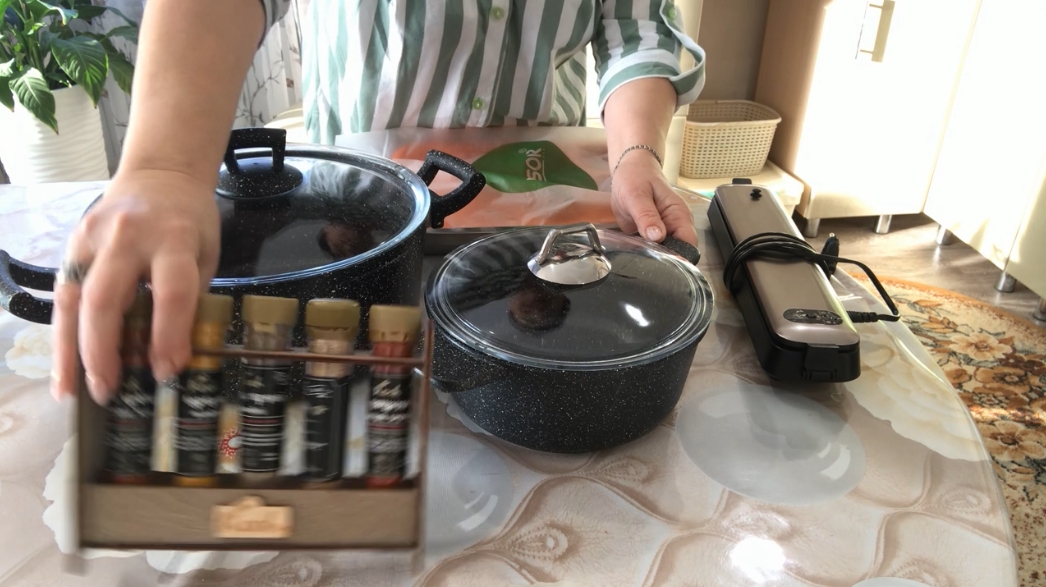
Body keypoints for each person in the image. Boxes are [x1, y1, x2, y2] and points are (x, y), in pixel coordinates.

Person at [49, 0, 706, 405]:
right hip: (361, 206)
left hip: (537, 199)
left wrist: (635, 154)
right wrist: (165, 165)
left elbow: (637, 27)